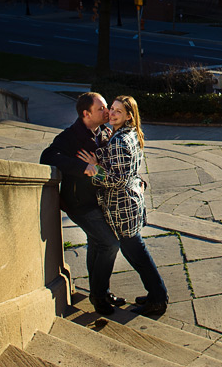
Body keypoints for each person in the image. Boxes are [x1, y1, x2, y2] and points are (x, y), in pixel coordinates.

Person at [78, 95, 168, 316]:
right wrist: (99, 157)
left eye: (119, 111)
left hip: (122, 208)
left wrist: (94, 169)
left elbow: (118, 179)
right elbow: (119, 162)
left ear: (129, 115)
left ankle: (158, 299)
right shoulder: (128, 133)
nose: (112, 113)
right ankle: (156, 294)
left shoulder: (119, 140)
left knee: (138, 255)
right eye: (112, 108)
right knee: (138, 253)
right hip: (129, 204)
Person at [40, 92, 125, 316]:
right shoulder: (71, 136)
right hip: (80, 204)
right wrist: (81, 167)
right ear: (86, 114)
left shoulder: (104, 131)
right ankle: (98, 296)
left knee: (97, 244)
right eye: (101, 109)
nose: (107, 111)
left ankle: (101, 292)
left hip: (99, 201)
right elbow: (47, 156)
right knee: (110, 244)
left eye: (106, 107)